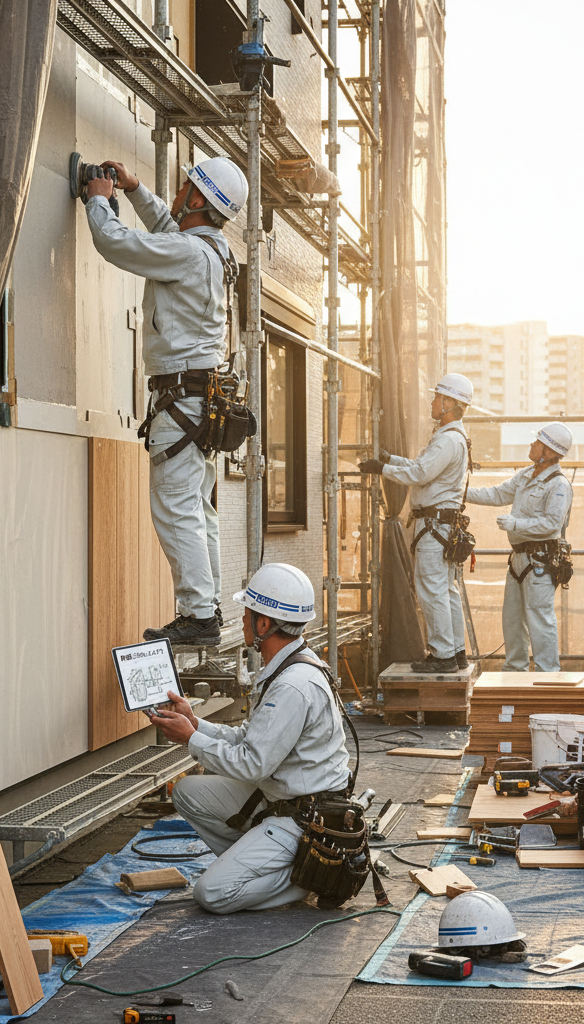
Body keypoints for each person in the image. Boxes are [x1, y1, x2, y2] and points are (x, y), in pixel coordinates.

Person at [84, 156, 248, 646]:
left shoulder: (190, 254)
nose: (176, 194)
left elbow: (119, 243)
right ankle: (208, 609)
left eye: (183, 189)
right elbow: (166, 230)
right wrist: (133, 190)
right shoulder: (213, 251)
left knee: (177, 509)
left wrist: (99, 200)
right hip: (198, 404)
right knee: (197, 510)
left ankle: (197, 615)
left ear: (198, 199)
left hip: (182, 404)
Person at [151, 563, 351, 914]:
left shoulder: (291, 685)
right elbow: (249, 738)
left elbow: (251, 763)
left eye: (247, 614)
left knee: (212, 894)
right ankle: (257, 861)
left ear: (263, 624)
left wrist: (189, 740)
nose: (241, 621)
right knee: (186, 792)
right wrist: (195, 724)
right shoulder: (289, 667)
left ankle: (306, 874)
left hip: (303, 817)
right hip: (287, 798)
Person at [358, 374, 472, 674]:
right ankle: (456, 652)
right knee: (446, 590)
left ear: (449, 403)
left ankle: (443, 655)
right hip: (442, 526)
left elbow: (420, 474)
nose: (432, 402)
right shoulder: (450, 437)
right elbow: (422, 468)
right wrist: (392, 460)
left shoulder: (448, 439)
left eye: (437, 398)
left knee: (432, 590)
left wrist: (382, 468)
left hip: (435, 528)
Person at [465, 422, 574, 672]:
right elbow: (496, 494)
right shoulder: (526, 475)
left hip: (540, 562)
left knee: (539, 618)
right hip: (519, 560)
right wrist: (461, 492)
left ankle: (548, 675)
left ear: (548, 451)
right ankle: (515, 670)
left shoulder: (558, 485)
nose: (532, 445)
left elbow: (552, 523)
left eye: (537, 442)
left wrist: (517, 524)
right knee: (513, 618)